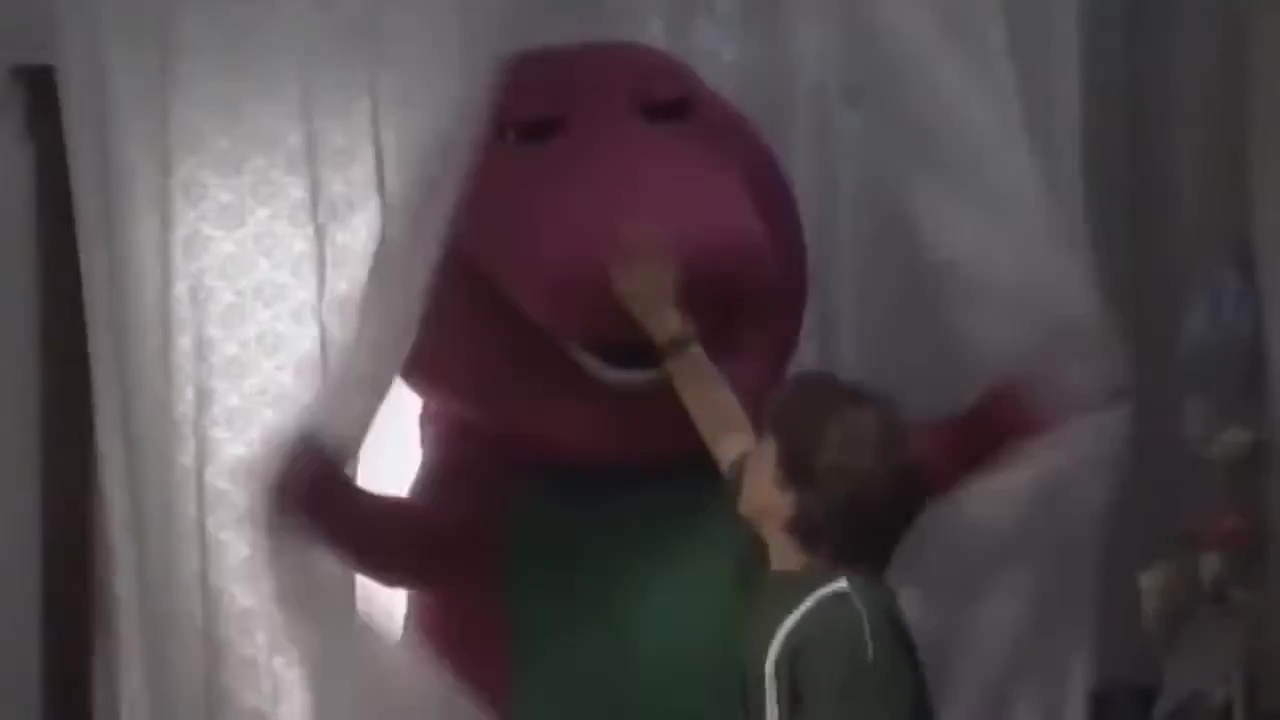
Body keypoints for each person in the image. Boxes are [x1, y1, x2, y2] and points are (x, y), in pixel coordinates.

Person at [610, 233, 935, 720]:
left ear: (789, 501)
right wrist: (668, 330)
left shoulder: (843, 629)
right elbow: (727, 437)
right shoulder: (804, 588)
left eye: (767, 447)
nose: (751, 453)